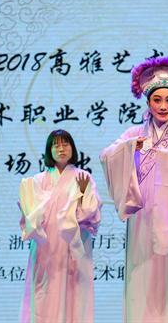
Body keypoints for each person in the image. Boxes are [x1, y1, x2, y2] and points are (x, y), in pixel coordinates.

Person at [100, 57, 168, 322]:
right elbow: (107, 156)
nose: (163, 106)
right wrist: (132, 149)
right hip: (143, 217)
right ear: (148, 101)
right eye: (157, 100)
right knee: (142, 279)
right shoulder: (135, 133)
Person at [19, 129, 102, 323]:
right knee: (44, 295)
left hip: (73, 245)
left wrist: (81, 194)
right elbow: (29, 214)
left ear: (72, 148)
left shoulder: (83, 177)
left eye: (65, 144)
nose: (61, 149)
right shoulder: (37, 181)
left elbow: (91, 213)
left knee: (74, 295)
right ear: (49, 150)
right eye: (55, 145)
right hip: (46, 246)